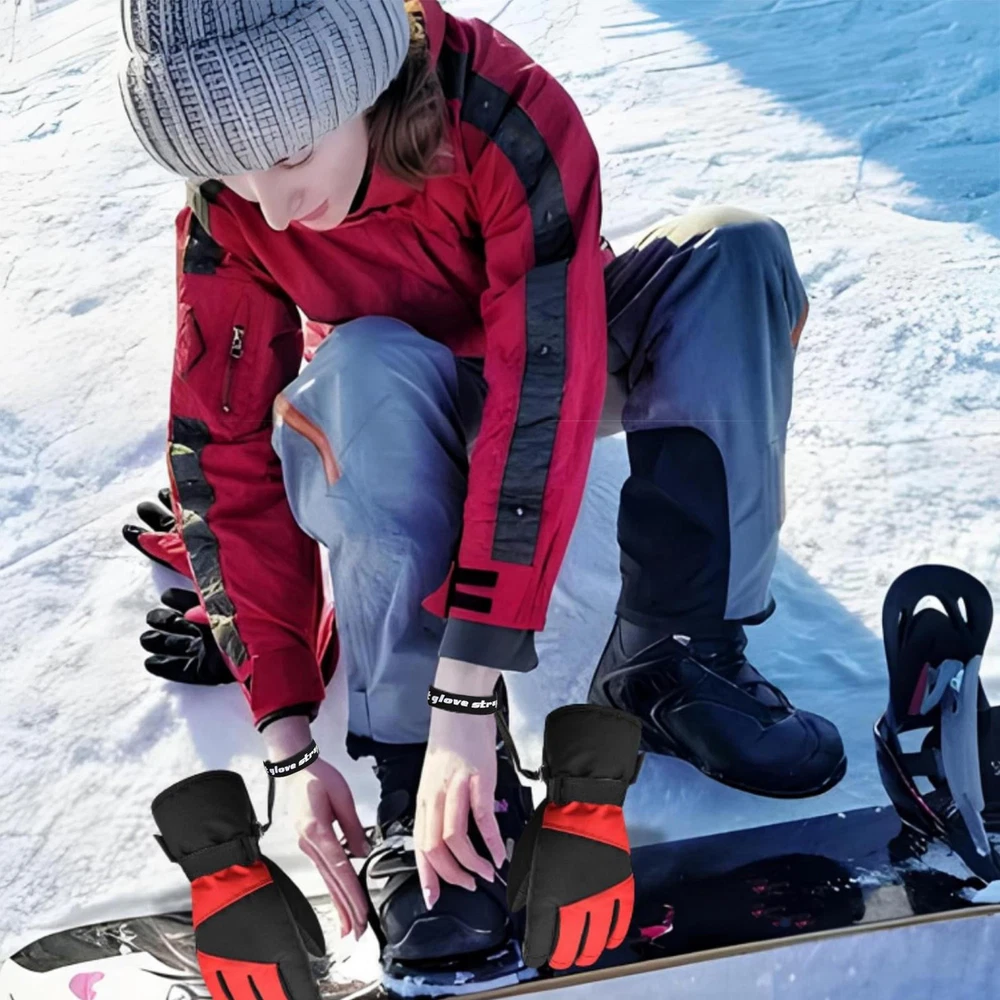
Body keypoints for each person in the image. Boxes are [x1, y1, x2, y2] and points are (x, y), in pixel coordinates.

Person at [118, 0, 846, 974]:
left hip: (554, 358)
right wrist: (284, 717)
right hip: (392, 413)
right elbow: (225, 445)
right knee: (367, 364)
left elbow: (544, 384)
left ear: (359, 78)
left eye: (289, 157)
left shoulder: (502, 114)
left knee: (734, 253)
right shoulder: (235, 207)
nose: (273, 206)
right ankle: (420, 765)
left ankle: (674, 654)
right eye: (233, 173)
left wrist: (469, 683)